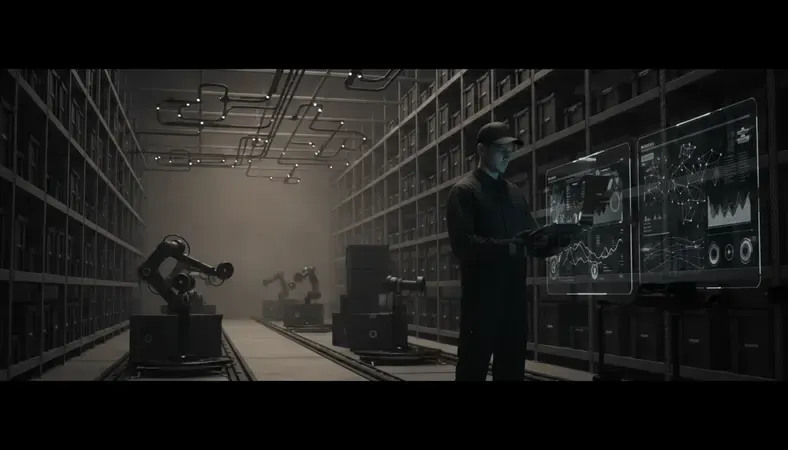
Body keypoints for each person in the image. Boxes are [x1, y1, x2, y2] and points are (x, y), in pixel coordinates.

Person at [446, 121, 549, 381]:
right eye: (501, 149)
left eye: (510, 150)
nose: (507, 155)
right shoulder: (464, 191)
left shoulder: (514, 193)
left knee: (511, 372)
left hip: (514, 301)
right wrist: (511, 246)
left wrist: (554, 240)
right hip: (481, 303)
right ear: (482, 150)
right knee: (472, 371)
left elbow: (531, 236)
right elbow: (463, 245)